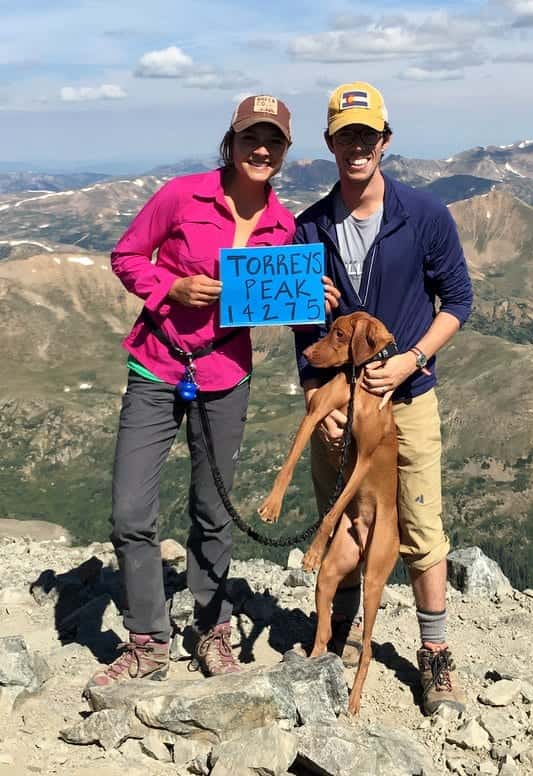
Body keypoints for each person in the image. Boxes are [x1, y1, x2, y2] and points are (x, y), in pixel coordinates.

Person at [86, 95, 297, 689]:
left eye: (273, 141)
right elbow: (127, 256)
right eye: (250, 138)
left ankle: (211, 628)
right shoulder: (182, 195)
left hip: (225, 376)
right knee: (131, 511)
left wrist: (316, 301)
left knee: (213, 511)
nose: (261, 150)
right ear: (229, 142)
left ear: (284, 151)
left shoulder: (284, 228)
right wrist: (169, 286)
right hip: (157, 366)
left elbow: (279, 303)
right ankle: (148, 640)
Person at [292, 82, 473, 715]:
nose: (357, 146)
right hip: (339, 410)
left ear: (385, 142)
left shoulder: (424, 215)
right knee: (339, 523)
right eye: (346, 136)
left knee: (420, 528)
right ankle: (336, 635)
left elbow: (459, 302)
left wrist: (410, 360)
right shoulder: (308, 226)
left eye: (367, 136)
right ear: (330, 144)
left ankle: (434, 653)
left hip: (409, 399)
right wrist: (322, 400)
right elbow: (304, 334)